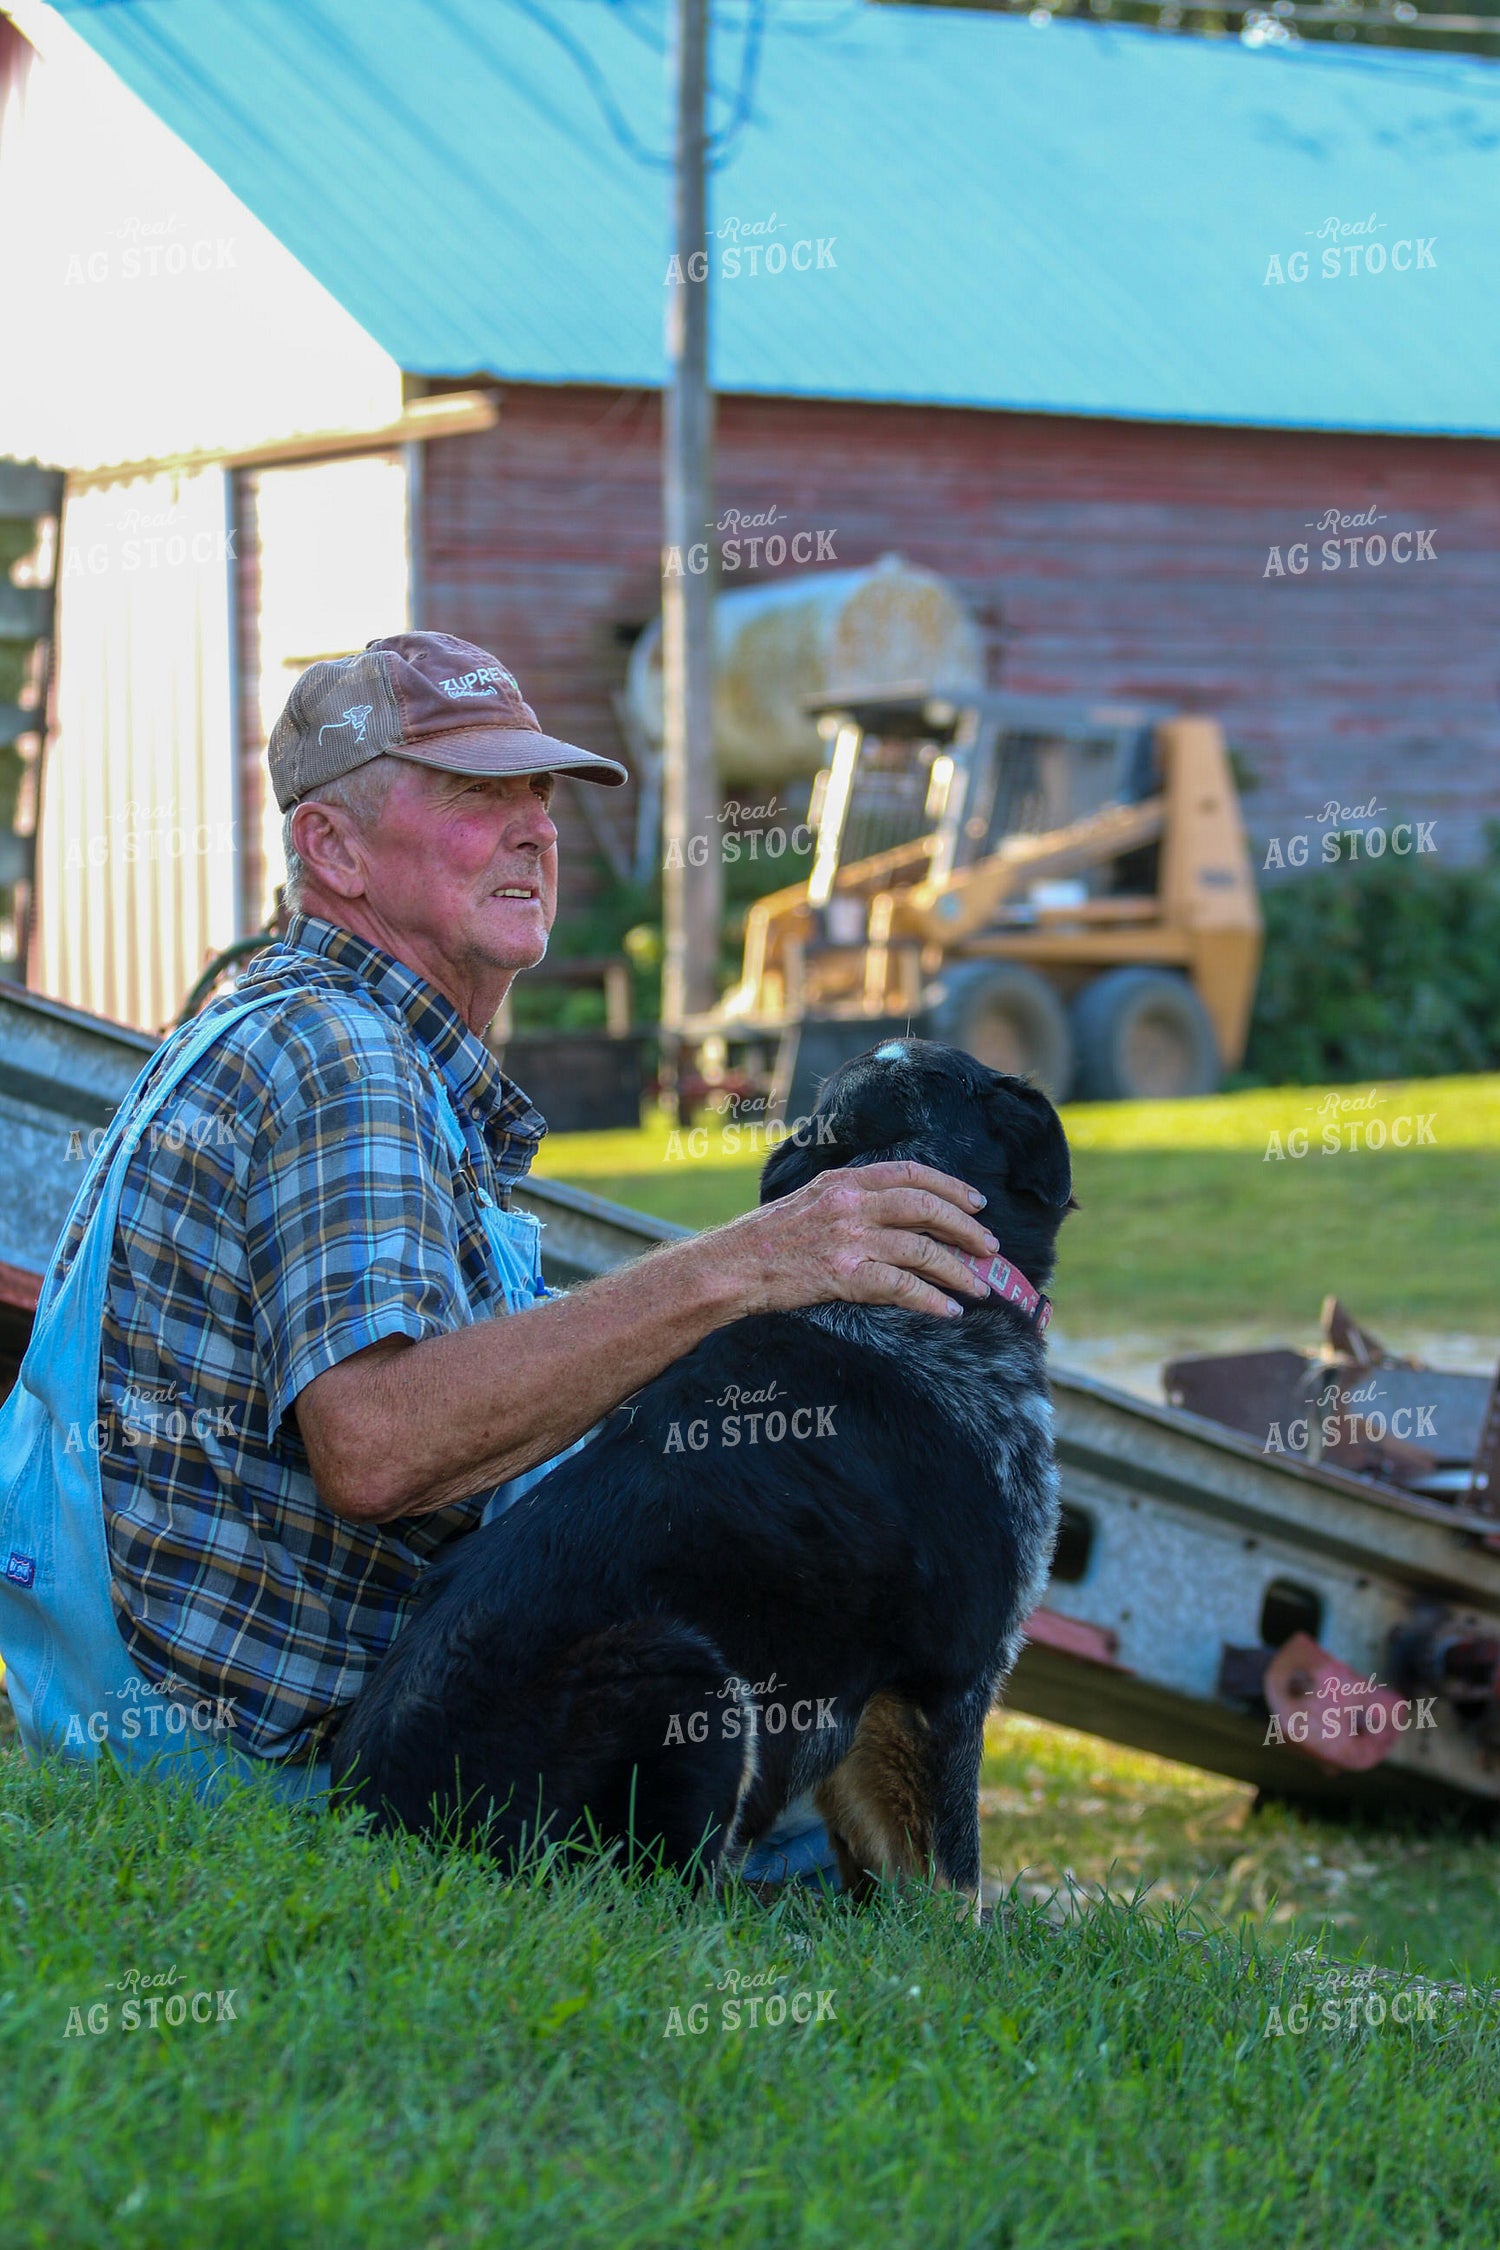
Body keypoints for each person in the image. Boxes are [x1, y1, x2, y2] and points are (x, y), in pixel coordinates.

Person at [0, 631, 999, 1844]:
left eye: (541, 793)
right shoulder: (346, 1059)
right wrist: (750, 1262)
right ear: (334, 848)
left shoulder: (298, 1025)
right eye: (477, 794)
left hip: (135, 1712)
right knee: (799, 1820)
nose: (535, 830)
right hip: (245, 1762)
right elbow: (378, 1447)